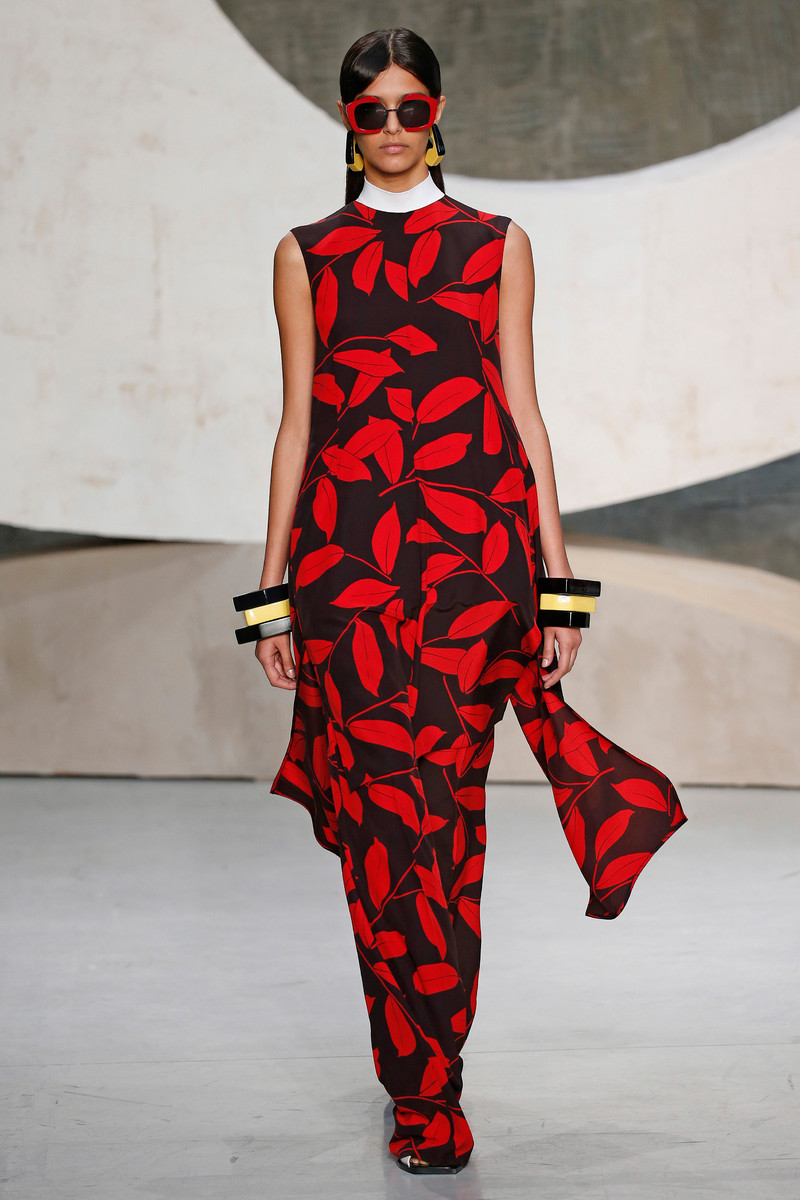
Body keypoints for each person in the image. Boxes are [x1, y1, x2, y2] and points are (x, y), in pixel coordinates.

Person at [245, 27, 687, 1175]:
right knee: (381, 836)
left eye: (409, 107)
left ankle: (437, 1079)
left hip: (470, 581)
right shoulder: (305, 254)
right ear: (346, 122)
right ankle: (416, 1089)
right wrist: (269, 596)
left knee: (445, 829)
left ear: (435, 113)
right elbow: (297, 427)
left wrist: (557, 591)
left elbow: (522, 413)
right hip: (346, 576)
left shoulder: (496, 244)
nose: (391, 128)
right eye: (370, 111)